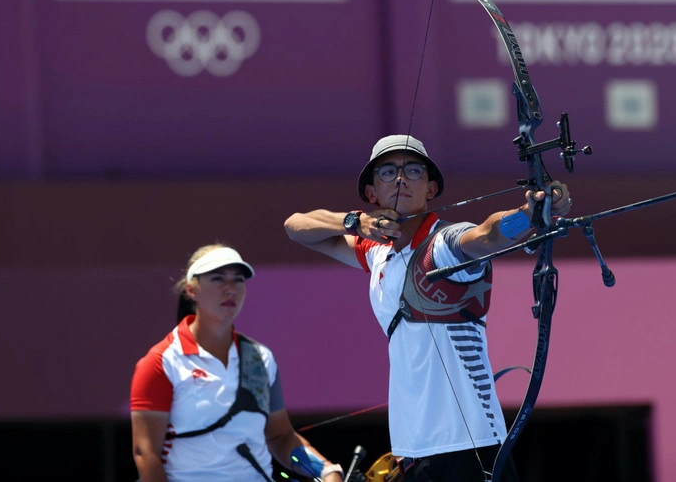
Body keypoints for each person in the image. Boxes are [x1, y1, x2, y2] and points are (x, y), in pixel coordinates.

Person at [284, 135, 571, 482]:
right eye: (388, 172)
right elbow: (296, 227)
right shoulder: (376, 252)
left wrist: (529, 214)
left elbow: (487, 235)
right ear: (372, 193)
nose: (401, 178)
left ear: (431, 188)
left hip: (471, 446)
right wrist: (355, 222)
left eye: (413, 170)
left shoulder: (446, 243)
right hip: (413, 450)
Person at [130, 243, 344, 482]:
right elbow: (145, 452)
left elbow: (281, 436)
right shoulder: (161, 361)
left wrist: (326, 470)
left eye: (238, 280)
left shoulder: (260, 359)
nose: (230, 288)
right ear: (192, 290)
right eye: (218, 279)